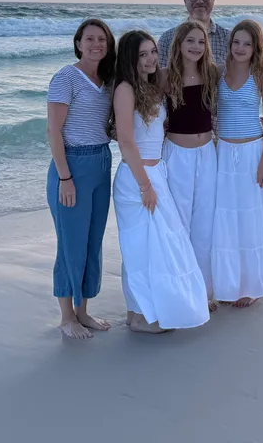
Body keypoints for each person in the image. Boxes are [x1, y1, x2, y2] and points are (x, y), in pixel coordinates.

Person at [111, 30, 210, 333]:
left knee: (152, 245)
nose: (151, 59)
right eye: (142, 54)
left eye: (153, 51)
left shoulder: (151, 88)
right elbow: (127, 142)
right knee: (143, 247)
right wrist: (145, 186)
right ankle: (140, 317)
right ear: (130, 58)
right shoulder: (126, 89)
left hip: (156, 172)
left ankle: (137, 312)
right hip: (136, 176)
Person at [46, 18, 117, 340]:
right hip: (71, 166)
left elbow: (106, 124)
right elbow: (54, 131)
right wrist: (65, 177)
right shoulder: (65, 78)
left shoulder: (109, 80)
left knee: (93, 242)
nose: (96, 44)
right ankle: (66, 317)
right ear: (78, 43)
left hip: (102, 163)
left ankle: (83, 311)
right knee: (70, 243)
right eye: (89, 39)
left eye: (101, 39)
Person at [212, 19, 263, 308]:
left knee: (251, 221)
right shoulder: (219, 71)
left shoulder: (261, 73)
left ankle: (251, 286)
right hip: (223, 154)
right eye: (236, 42)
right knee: (226, 219)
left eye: (247, 43)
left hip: (253, 153)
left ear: (255, 48)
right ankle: (227, 282)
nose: (240, 48)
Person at [160, 20, 220, 310]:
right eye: (190, 41)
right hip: (178, 156)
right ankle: (179, 290)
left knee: (204, 223)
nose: (196, 47)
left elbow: (244, 80)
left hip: (208, 154)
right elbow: (141, 104)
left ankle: (203, 291)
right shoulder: (165, 77)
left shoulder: (212, 73)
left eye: (201, 41)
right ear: (179, 44)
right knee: (179, 222)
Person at [157, 0, 230, 68]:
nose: (200, 1)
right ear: (185, 0)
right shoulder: (167, 39)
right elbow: (157, 80)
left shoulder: (229, 39)